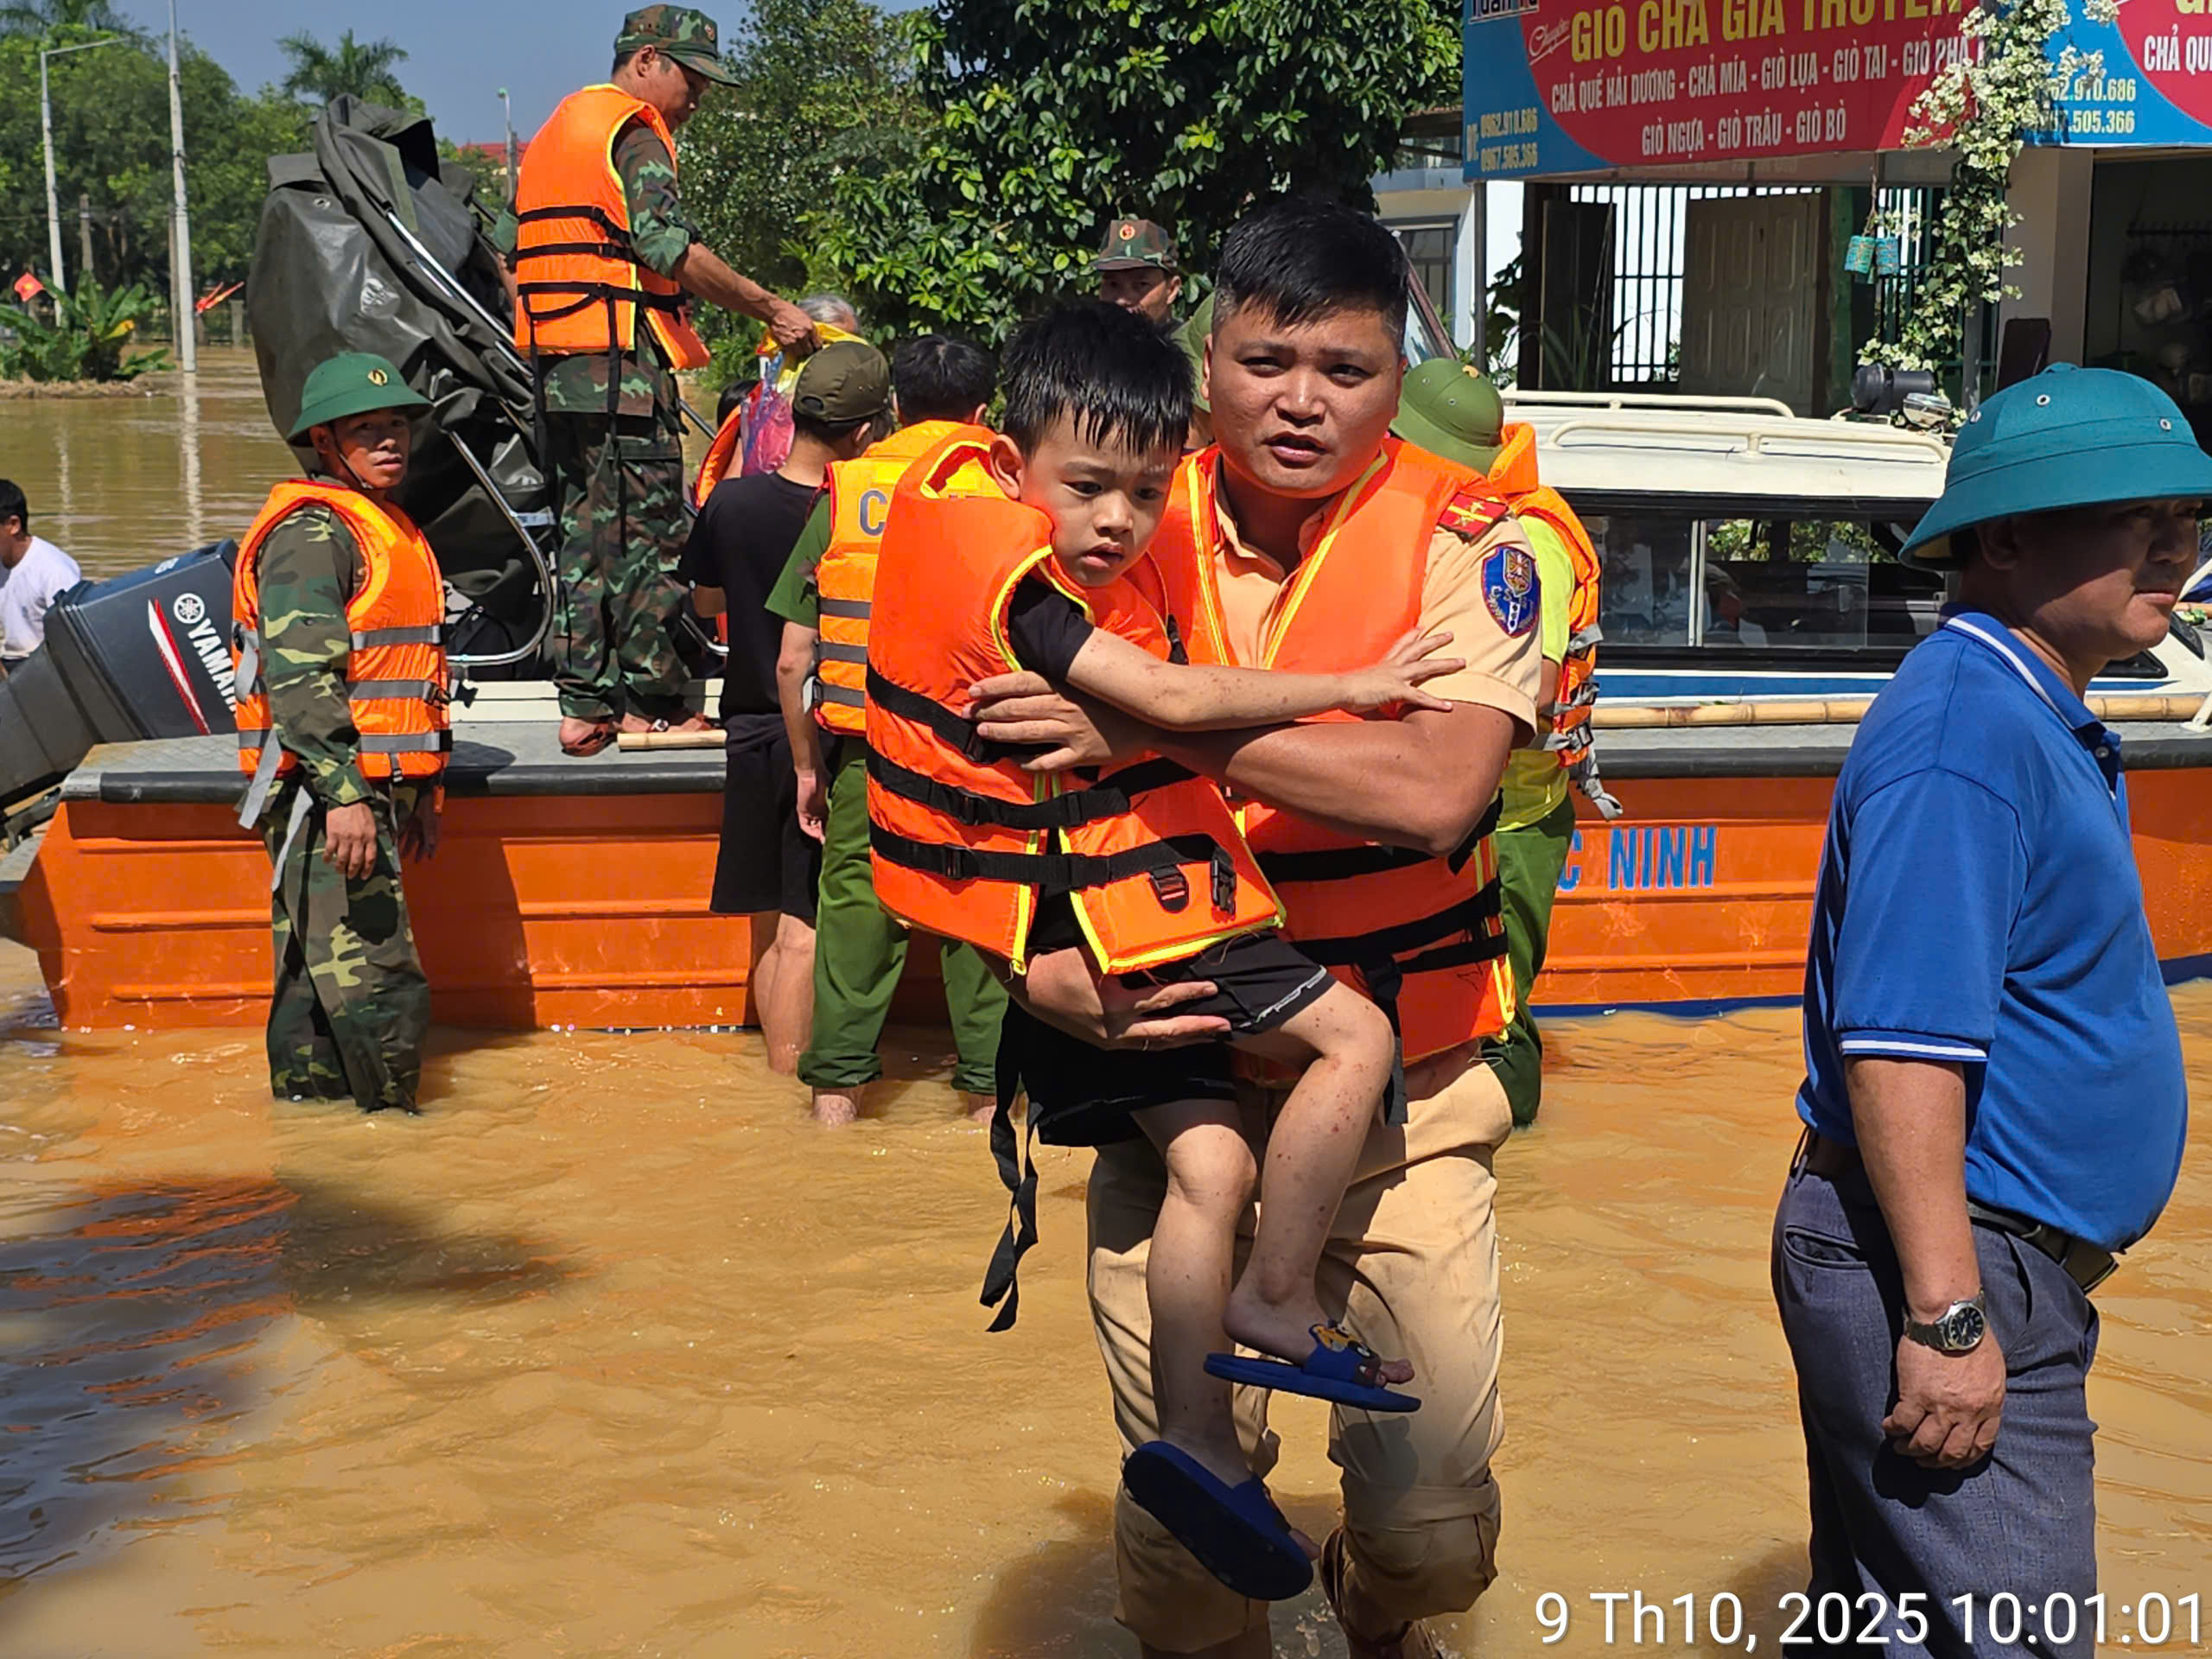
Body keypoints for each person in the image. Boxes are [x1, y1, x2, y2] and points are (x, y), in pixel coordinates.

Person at [968, 200, 1543, 1659]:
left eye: (1344, 369)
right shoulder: (1099, 509)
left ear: (1398, 375)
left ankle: (1368, 1604)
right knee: (1186, 1566)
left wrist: (1146, 728)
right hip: (1172, 1093)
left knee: (1432, 1543)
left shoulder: (1481, 541)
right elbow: (959, 788)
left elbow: (1435, 792)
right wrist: (1031, 973)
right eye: (1266, 361)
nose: (1300, 400)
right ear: (1206, 355)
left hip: (1405, 1107)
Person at [867, 300, 1461, 1601]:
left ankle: (1199, 1442)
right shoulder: (1029, 598)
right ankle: (1279, 1295)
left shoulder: (1012, 551)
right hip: (1126, 911)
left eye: (1144, 494)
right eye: (1087, 488)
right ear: (1008, 458)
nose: (1118, 523)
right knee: (1356, 1037)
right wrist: (1355, 685)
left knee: (1209, 1165)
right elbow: (1178, 699)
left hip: (1068, 925)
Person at [1773, 365, 2198, 1657]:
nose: (2175, 549)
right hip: (1957, 1265)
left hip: (1986, 1259)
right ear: (2004, 540)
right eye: (2136, 519)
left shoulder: (2023, 706)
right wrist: (1948, 1320)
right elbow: (1899, 1050)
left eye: (2187, 519)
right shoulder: (1968, 734)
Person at [503, 5, 817, 758]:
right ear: (646, 60)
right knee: (650, 539)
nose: (696, 100)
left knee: (584, 539)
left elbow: (528, 251)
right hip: (622, 371)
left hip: (559, 371)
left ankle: (584, 707)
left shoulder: (557, 132)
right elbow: (667, 247)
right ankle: (658, 709)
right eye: (691, 80)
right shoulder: (635, 131)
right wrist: (771, 307)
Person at [762, 334, 1008, 1127]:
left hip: (868, 753)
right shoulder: (1013, 486)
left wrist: (809, 768)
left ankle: (835, 1106)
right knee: (980, 915)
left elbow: (792, 660)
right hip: (980, 754)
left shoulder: (849, 489)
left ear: (896, 406)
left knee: (854, 920)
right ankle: (988, 1103)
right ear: (982, 412)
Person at [1390, 359, 1619, 1127]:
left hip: (1510, 820)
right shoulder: (1455, 522)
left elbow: (1540, 686)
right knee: (1442, 1001)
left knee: (1494, 1010)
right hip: (1456, 805)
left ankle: (1514, 1153)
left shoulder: (1527, 542)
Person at [228, 353, 449, 1116]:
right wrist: (346, 796)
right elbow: (301, 679)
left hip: (359, 787)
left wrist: (423, 790)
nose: (390, 441)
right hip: (326, 793)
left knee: (316, 987)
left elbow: (402, 677)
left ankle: (315, 1141)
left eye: (398, 426)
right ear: (324, 442)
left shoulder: (379, 524)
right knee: (377, 981)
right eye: (367, 429)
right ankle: (397, 1142)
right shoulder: (313, 532)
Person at [683, 340, 888, 1072]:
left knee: (768, 929)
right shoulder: (856, 515)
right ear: (865, 433)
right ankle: (792, 1093)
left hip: (747, 729)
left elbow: (705, 602)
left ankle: (769, 1086)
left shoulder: (731, 502)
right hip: (818, 733)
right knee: (807, 930)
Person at [0, 480, 83, 664]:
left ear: (13, 525)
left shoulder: (55, 570)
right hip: (11, 660)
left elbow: (75, 641)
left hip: (48, 665)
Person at [1096, 217, 1183, 330]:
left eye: (1141, 284)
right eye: (1113, 284)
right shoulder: (1086, 339)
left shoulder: (1193, 341)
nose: (1122, 300)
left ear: (1172, 290)